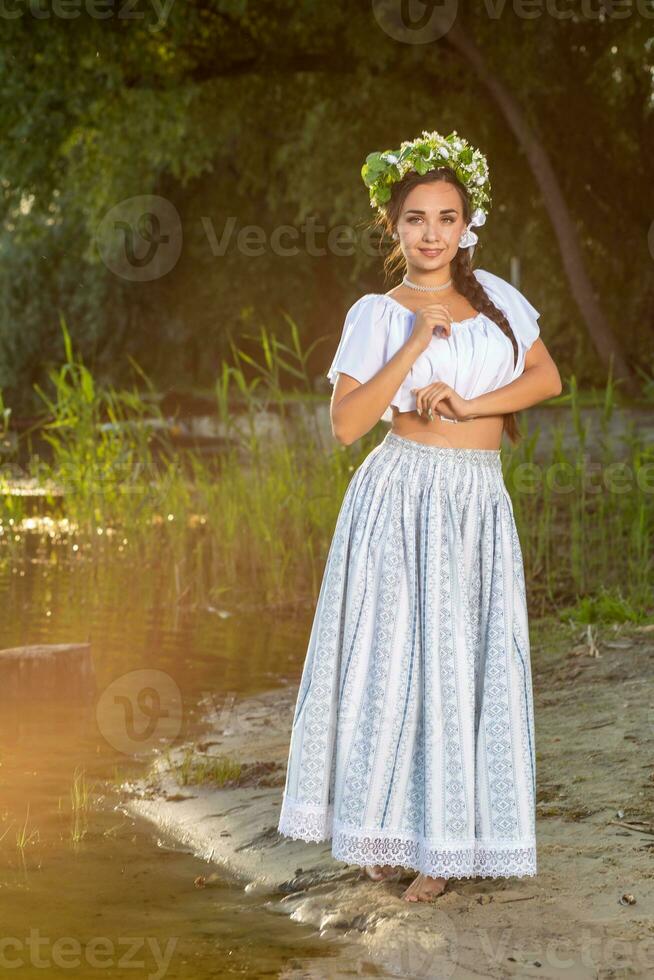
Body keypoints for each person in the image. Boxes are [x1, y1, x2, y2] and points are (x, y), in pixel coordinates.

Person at [276, 129, 562, 903]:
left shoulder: (497, 298)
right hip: (401, 495)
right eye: (415, 220)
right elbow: (345, 424)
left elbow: (546, 379)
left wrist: (470, 401)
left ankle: (445, 848)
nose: (431, 234)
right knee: (395, 664)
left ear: (466, 225)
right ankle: (384, 830)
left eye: (446, 218)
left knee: (465, 661)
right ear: (393, 228)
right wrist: (412, 348)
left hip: (475, 498)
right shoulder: (376, 311)